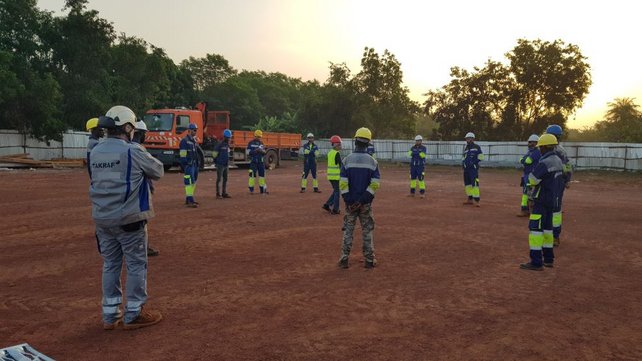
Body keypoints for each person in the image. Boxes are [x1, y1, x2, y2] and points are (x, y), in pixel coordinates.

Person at [89, 105, 164, 330]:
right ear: (128, 127)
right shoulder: (132, 150)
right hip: (129, 219)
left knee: (110, 264)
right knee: (135, 264)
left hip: (102, 218)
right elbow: (158, 171)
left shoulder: (95, 151)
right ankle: (133, 314)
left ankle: (109, 316)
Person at [520, 134, 565, 271]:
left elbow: (533, 180)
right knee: (547, 230)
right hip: (552, 200)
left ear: (544, 147)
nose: (539, 150)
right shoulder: (558, 160)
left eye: (540, 147)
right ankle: (549, 259)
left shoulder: (544, 162)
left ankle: (536, 261)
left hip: (541, 199)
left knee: (535, 231)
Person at [338, 127, 381, 269]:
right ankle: (369, 260)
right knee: (367, 230)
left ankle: (344, 259)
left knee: (348, 231)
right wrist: (362, 200)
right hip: (365, 204)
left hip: (350, 204)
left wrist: (349, 200)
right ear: (368, 143)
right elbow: (375, 184)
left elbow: (343, 183)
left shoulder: (346, 160)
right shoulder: (372, 162)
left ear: (355, 140)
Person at [132, 120, 160, 257]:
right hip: (139, 192)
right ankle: (143, 247)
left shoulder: (123, 149)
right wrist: (150, 186)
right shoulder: (138, 150)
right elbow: (156, 171)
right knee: (141, 222)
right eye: (144, 133)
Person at [545, 124, 573, 247]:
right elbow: (568, 167)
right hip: (559, 182)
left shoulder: (547, 150)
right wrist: (567, 180)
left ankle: (552, 236)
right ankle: (554, 236)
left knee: (550, 209)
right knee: (555, 208)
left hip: (550, 183)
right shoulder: (562, 151)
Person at [517, 134, 542, 217]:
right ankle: (525, 209)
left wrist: (523, 160)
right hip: (526, 174)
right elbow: (521, 159)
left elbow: (527, 161)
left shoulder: (537, 152)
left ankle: (532, 211)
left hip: (532, 175)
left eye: (532, 142)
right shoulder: (530, 152)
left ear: (536, 143)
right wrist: (523, 160)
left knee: (531, 193)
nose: (530, 144)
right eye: (529, 142)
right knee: (525, 193)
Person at [180, 123, 200, 207]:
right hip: (189, 165)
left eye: (196, 130)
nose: (195, 132)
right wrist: (185, 164)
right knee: (189, 182)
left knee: (193, 181)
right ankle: (190, 200)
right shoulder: (184, 141)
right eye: (194, 130)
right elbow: (183, 154)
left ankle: (188, 199)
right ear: (189, 130)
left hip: (194, 164)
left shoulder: (194, 141)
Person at [322, 135, 342, 215]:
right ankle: (335, 209)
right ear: (335, 144)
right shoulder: (337, 153)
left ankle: (327, 204)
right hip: (336, 176)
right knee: (337, 192)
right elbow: (341, 165)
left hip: (330, 176)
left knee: (336, 191)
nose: (340, 146)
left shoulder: (330, 153)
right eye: (339, 144)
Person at [462, 132, 483, 206]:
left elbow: (481, 157)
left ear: (472, 139)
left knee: (474, 184)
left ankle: (477, 200)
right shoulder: (466, 148)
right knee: (467, 184)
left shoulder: (477, 147)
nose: (467, 140)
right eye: (466, 139)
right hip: (466, 169)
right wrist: (463, 164)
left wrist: (474, 163)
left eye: (468, 138)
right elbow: (464, 157)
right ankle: (470, 199)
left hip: (473, 170)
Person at [213, 129, 232, 199]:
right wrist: (216, 162)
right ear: (225, 137)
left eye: (230, 137)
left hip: (225, 165)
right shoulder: (219, 145)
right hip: (220, 165)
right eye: (229, 137)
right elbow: (214, 154)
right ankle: (218, 194)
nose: (230, 139)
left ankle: (224, 193)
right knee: (219, 179)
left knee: (225, 179)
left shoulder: (227, 145)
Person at [248, 129, 268, 194]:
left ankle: (262, 189)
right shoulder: (250, 143)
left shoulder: (261, 143)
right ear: (255, 136)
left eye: (260, 137)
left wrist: (262, 151)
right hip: (253, 162)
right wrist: (256, 150)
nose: (259, 138)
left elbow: (264, 152)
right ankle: (251, 189)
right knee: (252, 176)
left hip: (260, 162)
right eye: (258, 137)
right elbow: (248, 153)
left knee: (262, 176)